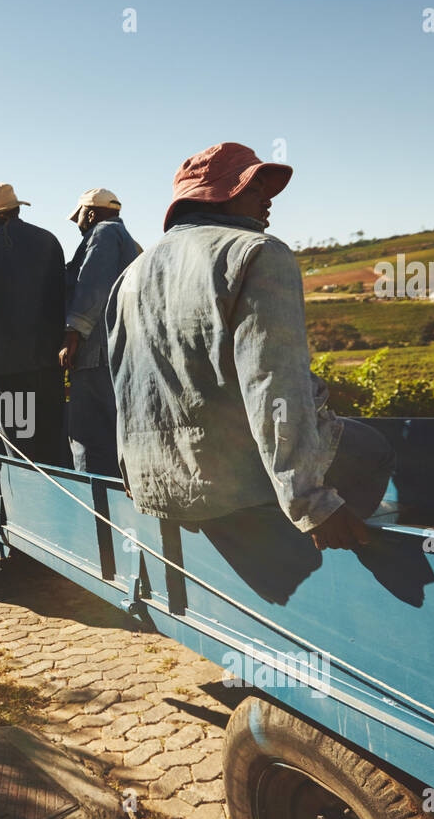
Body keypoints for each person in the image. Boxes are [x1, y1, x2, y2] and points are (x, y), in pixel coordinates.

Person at [105, 143, 395, 551]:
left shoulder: (130, 275)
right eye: (253, 187)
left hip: (156, 483)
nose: (268, 199)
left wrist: (135, 478)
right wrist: (310, 502)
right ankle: (331, 561)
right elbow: (272, 382)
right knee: (373, 448)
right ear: (218, 194)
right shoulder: (257, 253)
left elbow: (123, 384)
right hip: (227, 480)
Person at [0, 183, 71, 466]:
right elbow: (63, 297)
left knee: (19, 450)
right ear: (17, 209)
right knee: (52, 446)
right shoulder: (49, 241)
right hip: (49, 366)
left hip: (5, 371)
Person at [61, 188, 142, 476]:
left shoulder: (103, 233)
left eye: (80, 216)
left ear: (91, 213)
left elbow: (92, 286)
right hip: (118, 354)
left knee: (88, 437)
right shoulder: (129, 241)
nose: (79, 223)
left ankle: (92, 506)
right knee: (113, 432)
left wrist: (72, 335)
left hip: (95, 353)